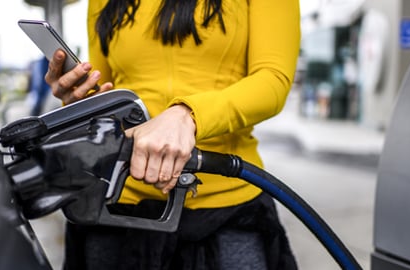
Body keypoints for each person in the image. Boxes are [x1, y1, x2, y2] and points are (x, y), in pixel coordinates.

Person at [45, 0, 301, 269]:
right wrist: (76, 96)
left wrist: (188, 115)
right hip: (117, 203)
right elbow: (105, 91)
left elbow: (273, 78)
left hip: (224, 204)